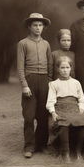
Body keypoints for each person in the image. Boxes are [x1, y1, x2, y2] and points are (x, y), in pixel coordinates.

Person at [17, 13, 52, 158]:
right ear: (29, 27)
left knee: (43, 116)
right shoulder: (23, 43)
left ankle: (41, 144)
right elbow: (20, 66)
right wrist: (24, 85)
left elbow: (50, 63)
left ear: (43, 27)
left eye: (40, 25)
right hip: (30, 79)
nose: (38, 28)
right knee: (29, 116)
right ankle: (29, 146)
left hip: (44, 80)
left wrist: (49, 80)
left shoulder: (46, 44)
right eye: (35, 25)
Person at [46, 56, 84, 163]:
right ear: (58, 69)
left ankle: (78, 151)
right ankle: (65, 152)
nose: (65, 70)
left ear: (71, 68)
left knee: (83, 120)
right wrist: (53, 112)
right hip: (60, 108)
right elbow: (50, 101)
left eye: (67, 67)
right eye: (62, 67)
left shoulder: (76, 83)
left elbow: (82, 99)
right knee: (63, 122)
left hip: (74, 108)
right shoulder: (53, 84)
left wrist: (81, 109)